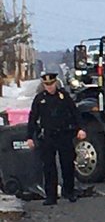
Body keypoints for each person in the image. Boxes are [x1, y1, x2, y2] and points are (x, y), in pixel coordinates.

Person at [26, 72, 86, 205]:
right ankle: (51, 196)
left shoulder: (64, 97)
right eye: (47, 85)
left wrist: (81, 128)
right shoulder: (40, 99)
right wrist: (29, 137)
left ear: (55, 83)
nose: (50, 87)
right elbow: (33, 119)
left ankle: (69, 191)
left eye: (51, 84)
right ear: (43, 85)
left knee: (67, 164)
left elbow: (75, 113)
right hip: (47, 136)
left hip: (64, 135)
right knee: (49, 167)